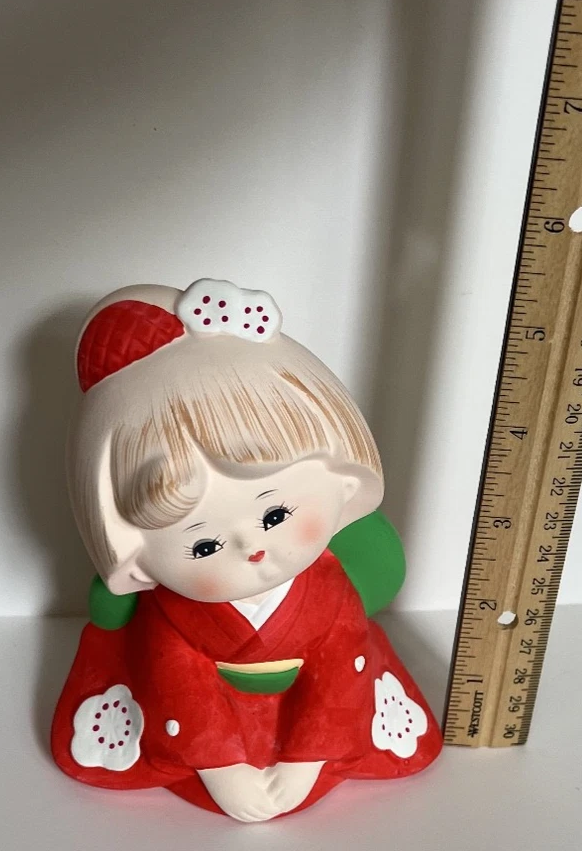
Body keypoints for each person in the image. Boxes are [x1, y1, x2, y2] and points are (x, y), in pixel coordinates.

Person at [51, 279, 442, 821]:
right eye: (203, 544)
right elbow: (178, 685)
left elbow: (339, 666)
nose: (253, 548)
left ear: (342, 482)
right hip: (210, 721)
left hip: (312, 715)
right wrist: (223, 769)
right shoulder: (174, 615)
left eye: (276, 515)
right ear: (135, 559)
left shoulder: (328, 592)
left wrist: (306, 760)